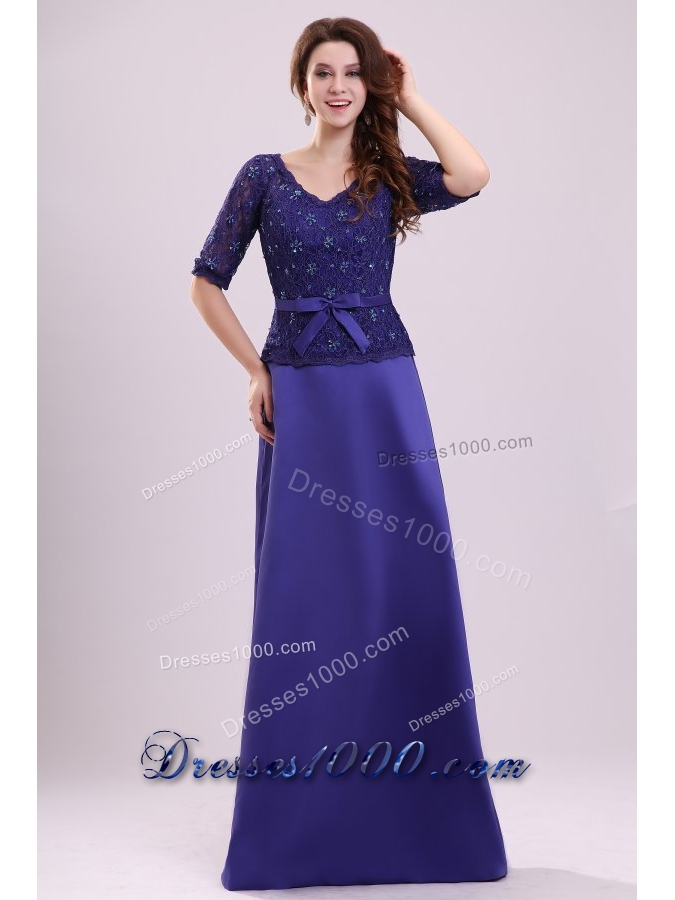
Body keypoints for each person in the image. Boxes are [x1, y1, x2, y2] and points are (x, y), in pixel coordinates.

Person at [190, 15, 507, 892]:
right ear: (302, 83)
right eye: (323, 72)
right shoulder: (263, 175)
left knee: (406, 578)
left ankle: (428, 828)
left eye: (352, 74)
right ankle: (295, 833)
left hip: (383, 393)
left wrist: (411, 95)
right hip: (302, 396)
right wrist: (256, 371)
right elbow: (205, 281)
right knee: (307, 593)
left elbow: (472, 175)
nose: (337, 87)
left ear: (370, 86)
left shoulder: (388, 173)